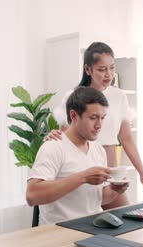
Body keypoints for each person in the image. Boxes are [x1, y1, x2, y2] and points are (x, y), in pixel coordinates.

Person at [47, 42, 143, 210]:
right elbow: (64, 136)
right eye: (102, 69)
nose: (108, 74)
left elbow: (126, 139)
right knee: (86, 218)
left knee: (124, 217)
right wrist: (52, 135)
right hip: (82, 167)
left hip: (110, 168)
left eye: (112, 68)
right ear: (88, 69)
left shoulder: (119, 96)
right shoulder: (74, 97)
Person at [26, 87, 129, 225]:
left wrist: (115, 191)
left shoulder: (98, 149)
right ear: (74, 116)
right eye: (93, 118)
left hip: (93, 229)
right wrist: (83, 177)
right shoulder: (54, 147)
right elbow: (32, 196)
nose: (99, 125)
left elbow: (98, 199)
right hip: (59, 234)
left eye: (102, 118)